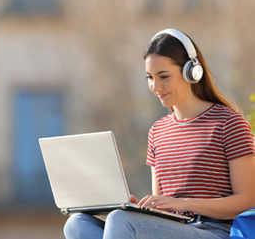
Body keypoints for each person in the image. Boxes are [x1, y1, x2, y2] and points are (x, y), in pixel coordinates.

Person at [63, 28, 255, 239]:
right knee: (77, 224)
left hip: (214, 231)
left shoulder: (228, 122)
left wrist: (185, 204)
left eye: (163, 76)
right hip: (170, 229)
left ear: (192, 72)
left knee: (120, 220)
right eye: (149, 77)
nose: (155, 86)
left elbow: (247, 200)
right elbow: (162, 203)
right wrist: (143, 208)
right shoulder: (158, 131)